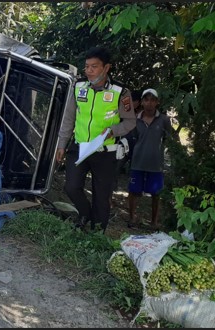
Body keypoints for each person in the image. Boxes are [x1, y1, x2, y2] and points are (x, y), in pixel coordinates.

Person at [55, 46, 136, 233]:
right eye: (87, 67)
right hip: (79, 147)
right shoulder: (78, 87)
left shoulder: (121, 92)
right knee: (71, 186)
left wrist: (113, 131)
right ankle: (85, 214)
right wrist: (61, 144)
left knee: (101, 195)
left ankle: (97, 232)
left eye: (94, 67)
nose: (89, 71)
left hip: (105, 152)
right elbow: (69, 118)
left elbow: (130, 121)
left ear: (106, 68)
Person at [126, 88, 173, 229]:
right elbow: (132, 138)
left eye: (153, 100)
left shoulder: (164, 120)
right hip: (137, 161)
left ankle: (154, 221)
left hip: (155, 163)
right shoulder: (136, 119)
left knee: (156, 193)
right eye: (146, 99)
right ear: (142, 102)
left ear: (157, 102)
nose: (149, 103)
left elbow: (167, 138)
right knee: (134, 191)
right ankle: (132, 218)